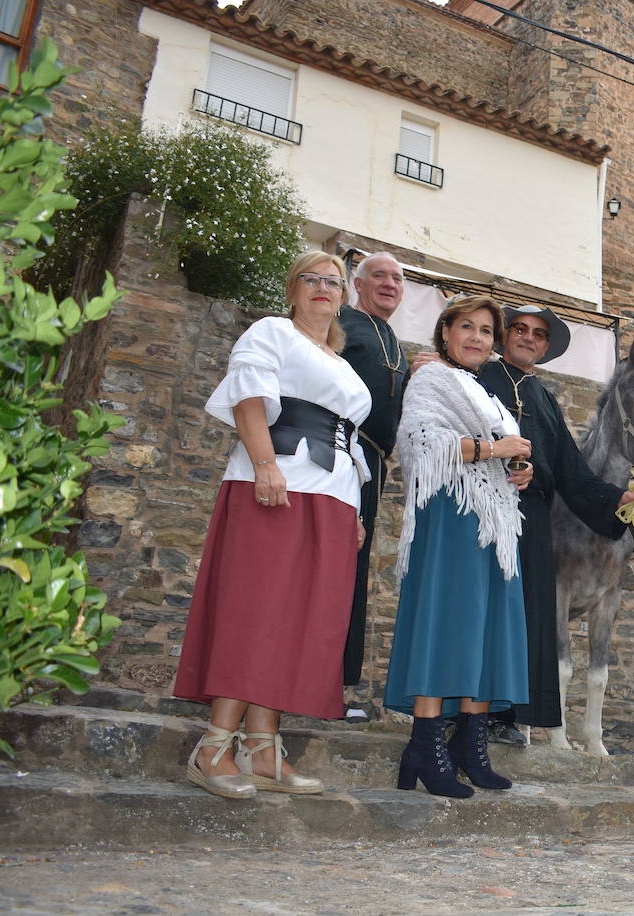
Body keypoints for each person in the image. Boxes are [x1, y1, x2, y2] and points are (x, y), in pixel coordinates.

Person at [174, 251, 371, 799]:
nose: (323, 288)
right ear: (293, 288)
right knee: (255, 610)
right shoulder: (272, 333)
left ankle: (263, 749)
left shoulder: (344, 366)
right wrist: (264, 465)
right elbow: (249, 399)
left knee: (299, 619)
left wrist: (353, 509)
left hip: (332, 496)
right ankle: (214, 745)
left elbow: (349, 442)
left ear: (343, 298)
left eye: (333, 282)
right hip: (277, 482)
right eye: (311, 279)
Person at [384, 295, 534, 798]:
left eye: (486, 331)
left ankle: (470, 746)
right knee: (448, 621)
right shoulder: (431, 379)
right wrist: (495, 449)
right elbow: (420, 445)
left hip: (493, 520)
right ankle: (426, 743)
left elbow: (493, 454)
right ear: (445, 332)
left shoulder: (486, 392)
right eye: (466, 327)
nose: (476, 337)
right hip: (451, 514)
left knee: (484, 628)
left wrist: (517, 472)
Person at [478, 304, 634, 746]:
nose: (528, 338)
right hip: (476, 508)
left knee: (522, 616)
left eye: (538, 334)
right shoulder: (476, 380)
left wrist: (614, 498)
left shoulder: (545, 398)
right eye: (520, 329)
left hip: (531, 518)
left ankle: (507, 718)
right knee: (479, 611)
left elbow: (571, 470)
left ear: (546, 347)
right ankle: (462, 713)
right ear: (504, 335)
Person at [337, 252, 409, 719]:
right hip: (339, 453)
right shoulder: (340, 322)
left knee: (354, 572)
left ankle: (336, 685)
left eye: (398, 279)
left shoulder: (395, 341)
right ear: (357, 284)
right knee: (333, 564)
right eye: (379, 276)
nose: (389, 284)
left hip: (375, 464)